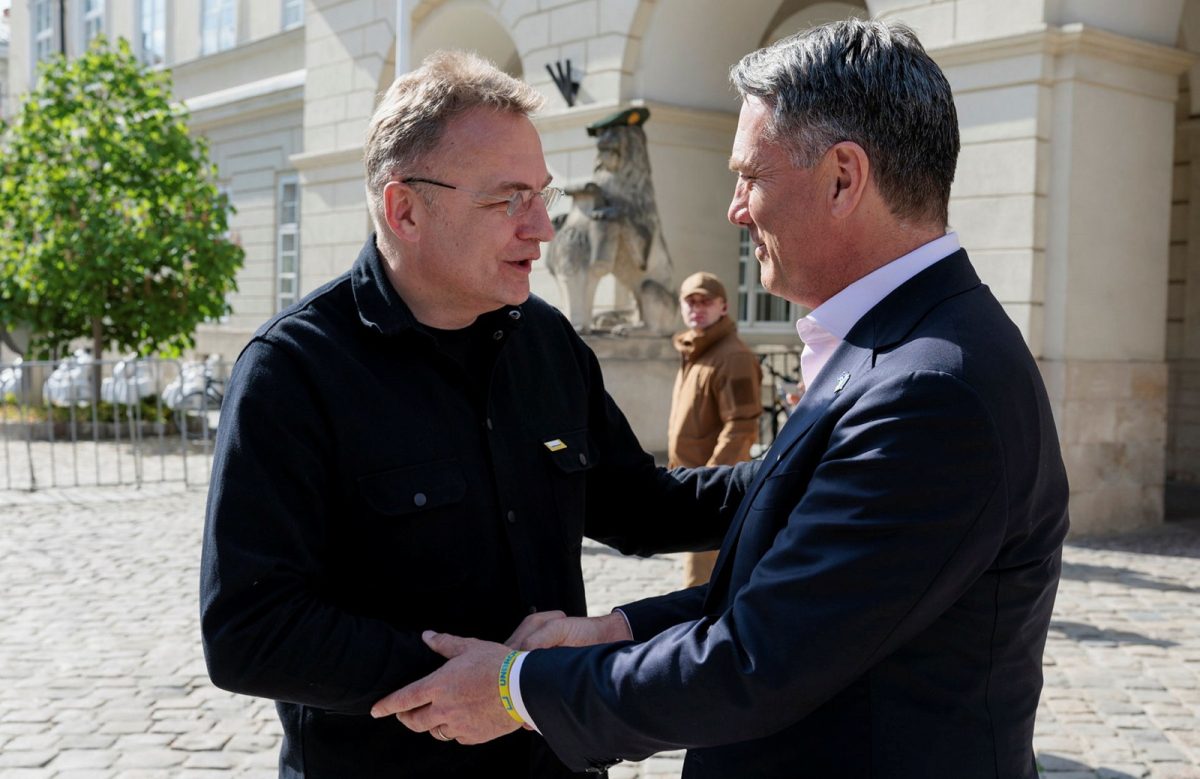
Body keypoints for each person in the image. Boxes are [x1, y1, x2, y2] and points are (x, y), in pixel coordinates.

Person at [370, 20, 1071, 779]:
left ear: (843, 178)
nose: (737, 208)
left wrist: (514, 689)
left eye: (750, 175)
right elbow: (774, 595)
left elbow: (755, 660)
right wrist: (615, 627)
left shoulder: (929, 389)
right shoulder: (903, 347)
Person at [199, 50, 734, 778]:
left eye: (541, 194)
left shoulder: (545, 340)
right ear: (406, 208)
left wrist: (805, 468)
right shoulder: (294, 371)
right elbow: (251, 631)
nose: (544, 228)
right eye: (508, 199)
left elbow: (641, 506)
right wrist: (480, 679)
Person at [668, 271, 761, 586]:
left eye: (705, 301)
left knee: (702, 584)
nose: (697, 308)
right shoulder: (696, 349)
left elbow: (742, 424)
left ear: (723, 307)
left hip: (709, 490)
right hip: (691, 483)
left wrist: (711, 481)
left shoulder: (732, 356)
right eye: (690, 301)